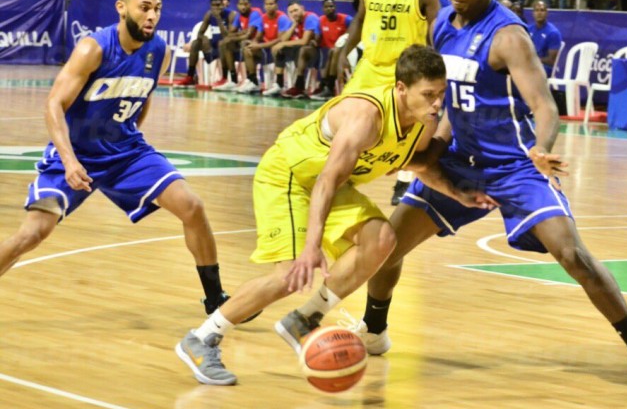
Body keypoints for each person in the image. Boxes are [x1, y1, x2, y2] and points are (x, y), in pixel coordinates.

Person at [355, 0, 627, 404]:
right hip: (461, 163)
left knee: (574, 256)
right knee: (385, 246)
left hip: (514, 166)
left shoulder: (509, 35)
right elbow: (445, 102)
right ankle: (373, 330)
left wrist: (541, 148)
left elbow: (544, 106)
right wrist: (428, 148)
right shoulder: (442, 29)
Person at [175, 46, 495, 386]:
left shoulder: (421, 122)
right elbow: (326, 180)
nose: (436, 104)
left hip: (330, 183)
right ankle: (202, 338)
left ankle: (304, 319)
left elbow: (415, 163)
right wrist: (312, 247)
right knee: (290, 275)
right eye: (428, 95)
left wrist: (457, 193)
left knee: (383, 240)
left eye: (440, 94)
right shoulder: (365, 117)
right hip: (290, 176)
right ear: (401, 89)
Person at [0, 0, 235, 318]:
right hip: (77, 155)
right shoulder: (93, 48)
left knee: (192, 207)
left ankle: (215, 298)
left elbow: (145, 95)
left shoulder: (160, 51)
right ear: (122, 8)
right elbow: (53, 105)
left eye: (157, 8)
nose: (152, 15)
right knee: (32, 234)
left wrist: (128, 133)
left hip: (126, 153)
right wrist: (68, 161)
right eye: (144, 8)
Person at [338, 0, 440, 206]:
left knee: (410, 130)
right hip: (371, 66)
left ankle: (404, 181)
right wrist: (342, 53)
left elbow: (437, 29)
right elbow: (359, 20)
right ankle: (341, 176)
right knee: (344, 121)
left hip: (408, 71)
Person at [176, 0, 237, 87]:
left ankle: (225, 78)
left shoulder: (231, 14)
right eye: (214, 5)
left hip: (229, 47)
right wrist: (204, 39)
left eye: (219, 5)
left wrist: (219, 19)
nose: (217, 7)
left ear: (223, 5)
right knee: (196, 43)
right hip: (214, 47)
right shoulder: (209, 15)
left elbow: (228, 36)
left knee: (224, 43)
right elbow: (200, 33)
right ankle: (190, 77)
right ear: (211, 6)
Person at [237, 0, 293, 94]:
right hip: (266, 48)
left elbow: (280, 40)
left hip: (279, 50)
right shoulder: (263, 18)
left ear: (276, 5)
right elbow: (258, 36)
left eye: (271, 4)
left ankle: (279, 84)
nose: (268, 6)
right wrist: (253, 43)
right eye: (266, 4)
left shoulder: (282, 18)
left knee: (274, 49)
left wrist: (259, 46)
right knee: (247, 48)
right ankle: (253, 81)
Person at [213, 0, 262, 91]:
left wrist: (235, 36)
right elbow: (231, 32)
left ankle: (253, 81)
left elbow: (249, 34)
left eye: (246, 4)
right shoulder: (239, 15)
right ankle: (233, 80)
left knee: (243, 42)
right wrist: (237, 34)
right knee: (225, 43)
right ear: (237, 5)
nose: (243, 7)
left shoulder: (255, 13)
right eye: (241, 4)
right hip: (245, 42)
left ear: (250, 4)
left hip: (259, 45)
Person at [309, 0, 353, 101]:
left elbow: (354, 32)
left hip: (347, 51)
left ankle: (328, 87)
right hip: (329, 53)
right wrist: (314, 40)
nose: (330, 8)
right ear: (323, 9)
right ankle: (326, 86)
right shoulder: (321, 21)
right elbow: (317, 38)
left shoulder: (346, 19)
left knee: (334, 51)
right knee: (331, 52)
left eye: (332, 6)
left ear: (335, 7)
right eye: (327, 7)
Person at [527, 0, 561, 75]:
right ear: (533, 13)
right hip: (531, 65)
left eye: (542, 10)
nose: (539, 13)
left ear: (547, 13)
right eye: (536, 10)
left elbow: (552, 60)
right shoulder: (529, 29)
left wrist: (534, 60)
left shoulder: (553, 33)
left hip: (545, 67)